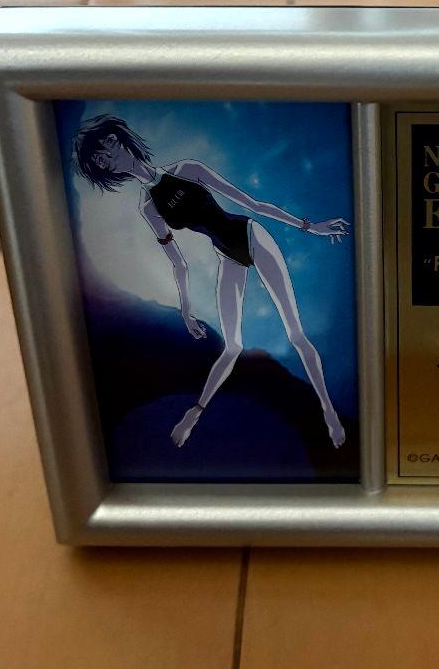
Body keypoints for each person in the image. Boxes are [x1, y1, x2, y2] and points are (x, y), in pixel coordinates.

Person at [71, 114, 350, 449]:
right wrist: (186, 312)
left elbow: (253, 204)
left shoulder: (187, 169)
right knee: (232, 347)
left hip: (251, 235)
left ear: (119, 140)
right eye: (101, 161)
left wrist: (310, 226)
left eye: (107, 147)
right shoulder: (149, 209)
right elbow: (179, 264)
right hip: (227, 256)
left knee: (295, 334)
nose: (109, 158)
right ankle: (193, 415)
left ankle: (328, 412)